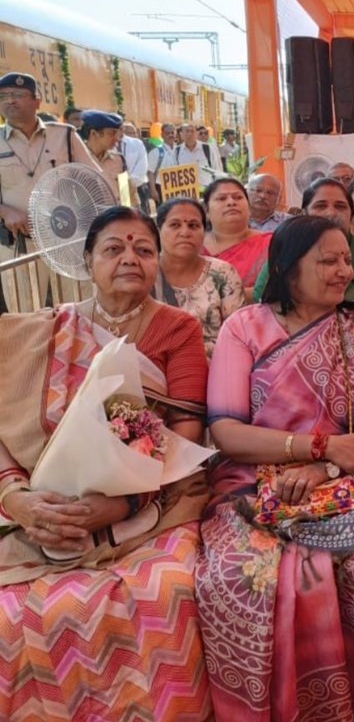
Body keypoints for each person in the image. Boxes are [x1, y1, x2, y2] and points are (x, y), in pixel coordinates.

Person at [198, 214, 354, 720]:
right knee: (241, 576)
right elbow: (227, 430)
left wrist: (350, 453)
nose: (343, 271)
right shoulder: (246, 326)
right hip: (257, 476)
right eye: (327, 261)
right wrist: (319, 449)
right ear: (286, 266)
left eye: (346, 259)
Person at [0, 206, 211, 719]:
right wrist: (17, 499)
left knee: (167, 590)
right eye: (113, 248)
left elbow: (186, 434)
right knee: (12, 614)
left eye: (143, 249)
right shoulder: (41, 330)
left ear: (157, 262)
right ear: (87, 261)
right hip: (38, 505)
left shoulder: (178, 330)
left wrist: (123, 503)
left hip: (154, 501)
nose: (129, 258)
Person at [0, 72, 98, 313]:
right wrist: (5, 210)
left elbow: (93, 180)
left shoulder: (64, 135)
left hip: (67, 239)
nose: (10, 101)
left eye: (18, 95)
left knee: (78, 309)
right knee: (24, 315)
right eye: (3, 96)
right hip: (19, 244)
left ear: (37, 101)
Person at [253, 178, 354, 311]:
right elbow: (263, 311)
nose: (331, 213)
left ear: (351, 214)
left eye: (340, 206)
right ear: (304, 213)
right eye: (320, 206)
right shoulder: (283, 260)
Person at [154, 198, 244, 356]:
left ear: (204, 231)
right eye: (175, 225)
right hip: (158, 371)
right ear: (159, 230)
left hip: (216, 370)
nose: (185, 232)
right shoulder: (146, 274)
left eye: (193, 225)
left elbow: (239, 337)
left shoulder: (223, 273)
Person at [203, 178, 271, 300]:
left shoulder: (271, 243)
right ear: (207, 211)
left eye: (238, 197)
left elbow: (276, 288)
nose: (231, 202)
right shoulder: (193, 246)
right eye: (221, 198)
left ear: (249, 208)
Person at [80, 110, 127, 200]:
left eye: (117, 133)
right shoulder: (77, 159)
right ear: (93, 133)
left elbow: (127, 195)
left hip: (115, 212)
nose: (117, 138)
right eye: (111, 133)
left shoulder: (119, 160)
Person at [121, 122, 150, 212]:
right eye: (131, 133)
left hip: (138, 186)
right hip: (119, 189)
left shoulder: (137, 144)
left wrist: (128, 183)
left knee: (142, 216)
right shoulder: (112, 145)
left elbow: (142, 166)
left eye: (135, 133)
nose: (134, 135)